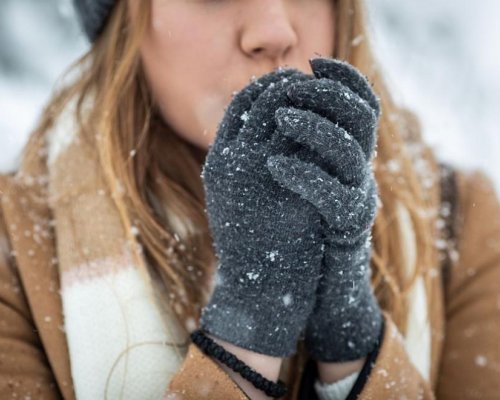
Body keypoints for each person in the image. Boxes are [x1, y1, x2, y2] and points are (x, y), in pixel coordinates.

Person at [0, 0, 499, 399]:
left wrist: (351, 348)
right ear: (123, 23)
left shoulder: (463, 225)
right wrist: (249, 325)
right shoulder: (14, 255)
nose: (274, 29)